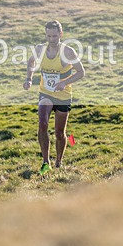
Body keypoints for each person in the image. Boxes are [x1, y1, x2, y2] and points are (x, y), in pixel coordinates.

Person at [23, 20, 85, 175]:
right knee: (42, 123)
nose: (51, 39)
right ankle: (45, 162)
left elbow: (81, 72)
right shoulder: (40, 49)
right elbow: (31, 62)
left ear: (60, 35)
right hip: (46, 93)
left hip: (63, 96)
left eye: (55, 36)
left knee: (59, 133)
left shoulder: (68, 52)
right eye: (49, 36)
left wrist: (64, 82)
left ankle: (59, 161)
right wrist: (29, 78)